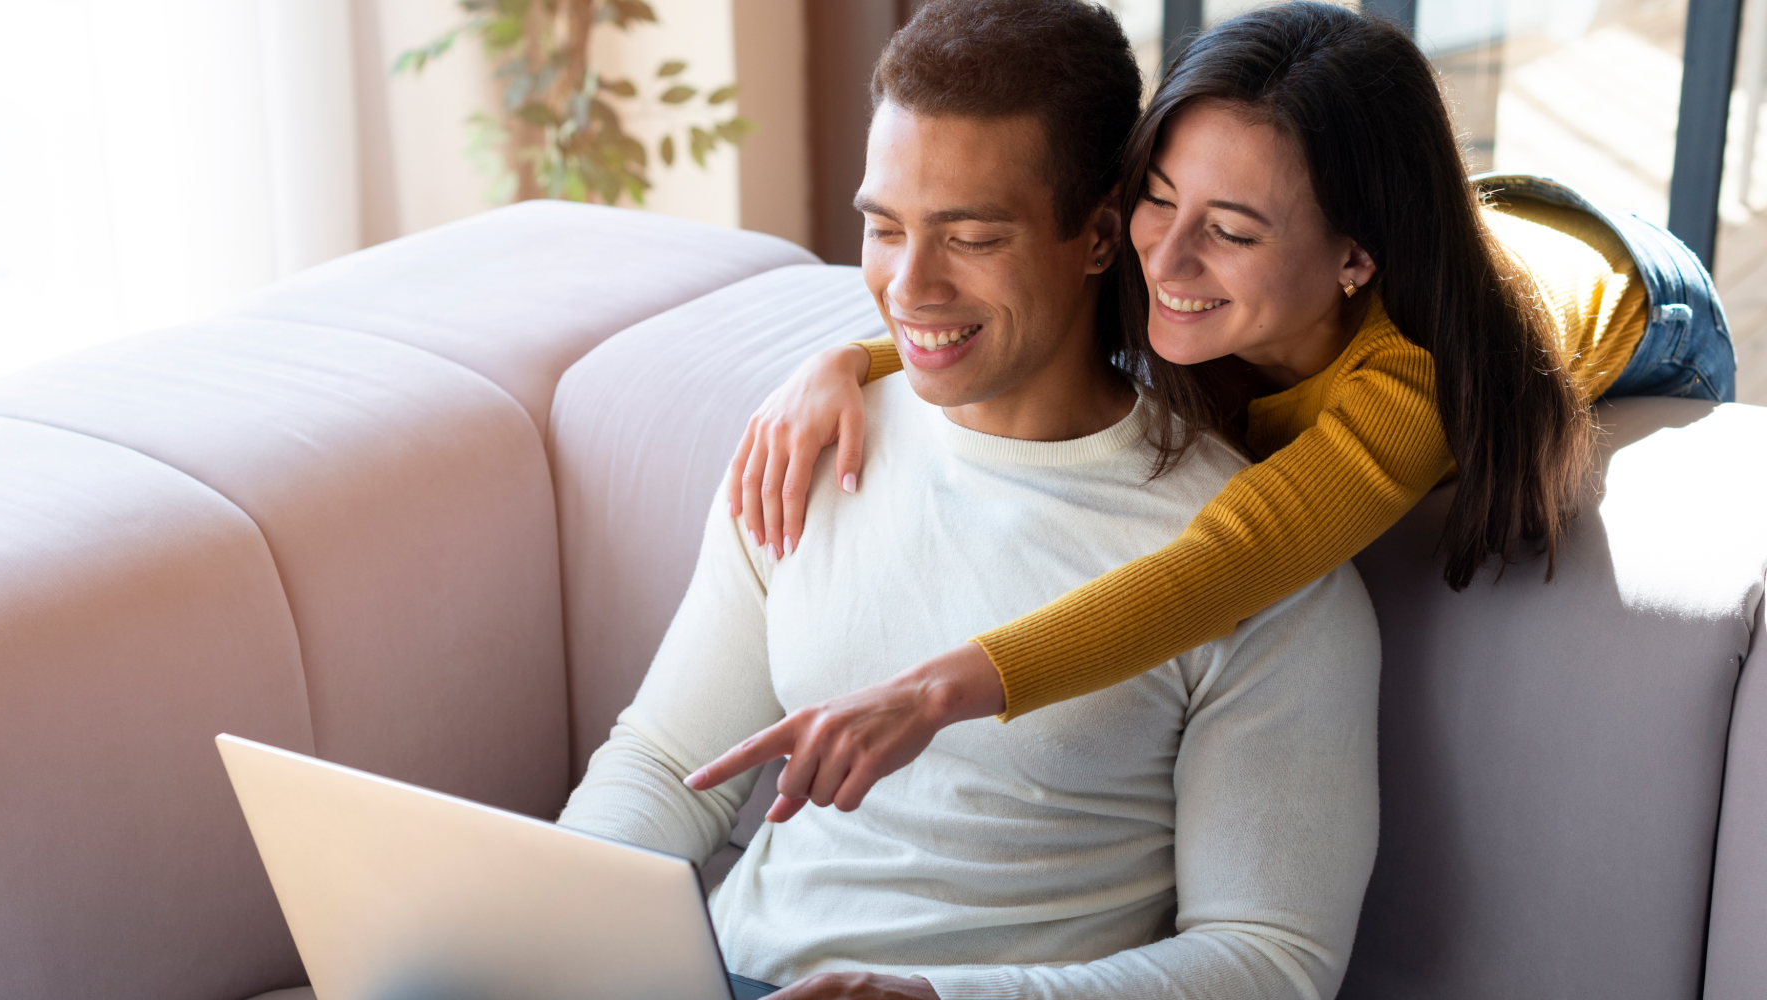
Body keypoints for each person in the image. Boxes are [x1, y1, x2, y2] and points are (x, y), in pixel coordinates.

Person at [691, 0, 1739, 824]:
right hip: (1459, 212)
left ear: (1351, 257)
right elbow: (1012, 312)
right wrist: (843, 359)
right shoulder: (1164, 251)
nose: (1168, 259)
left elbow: (1224, 562)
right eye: (1156, 198)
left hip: (1642, 298)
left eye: (1228, 230)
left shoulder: (1409, 382)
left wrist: (930, 693)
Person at [559, 3, 1381, 999]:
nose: (908, 286)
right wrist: (548, 930)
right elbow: (664, 762)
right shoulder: (811, 441)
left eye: (972, 237)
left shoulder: (1262, 572)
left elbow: (1269, 956)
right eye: (881, 226)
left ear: (1096, 236)